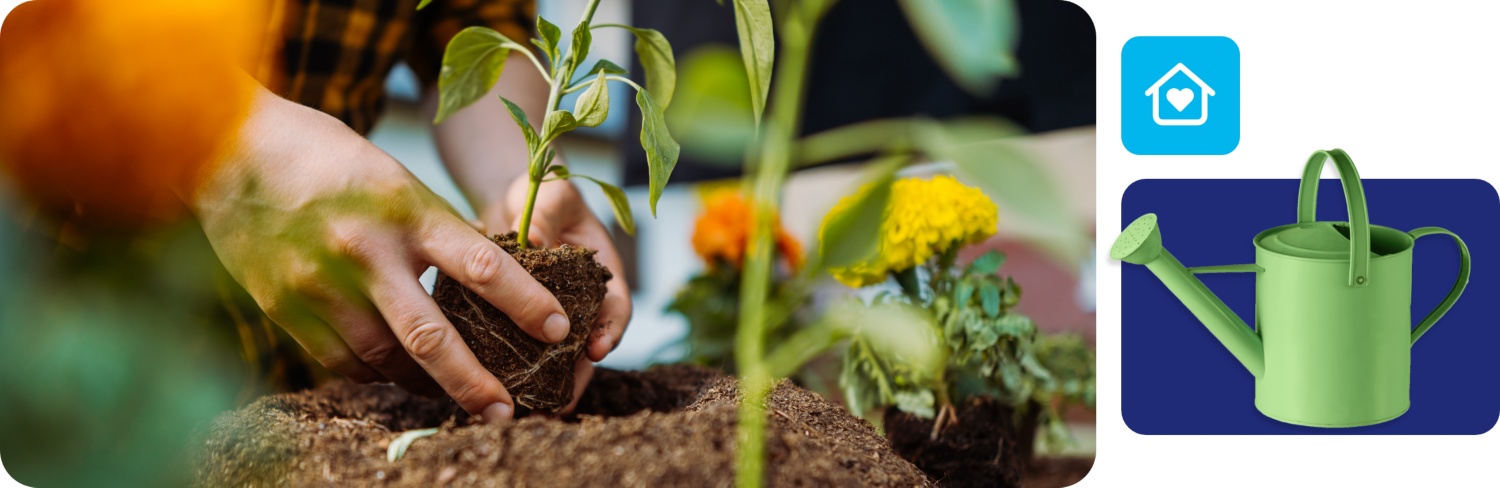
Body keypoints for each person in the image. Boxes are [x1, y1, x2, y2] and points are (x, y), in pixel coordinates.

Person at [0, 0, 630, 423]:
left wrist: (515, 181)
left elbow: (473, 33)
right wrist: (223, 138)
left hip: (306, 355)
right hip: (52, 294)